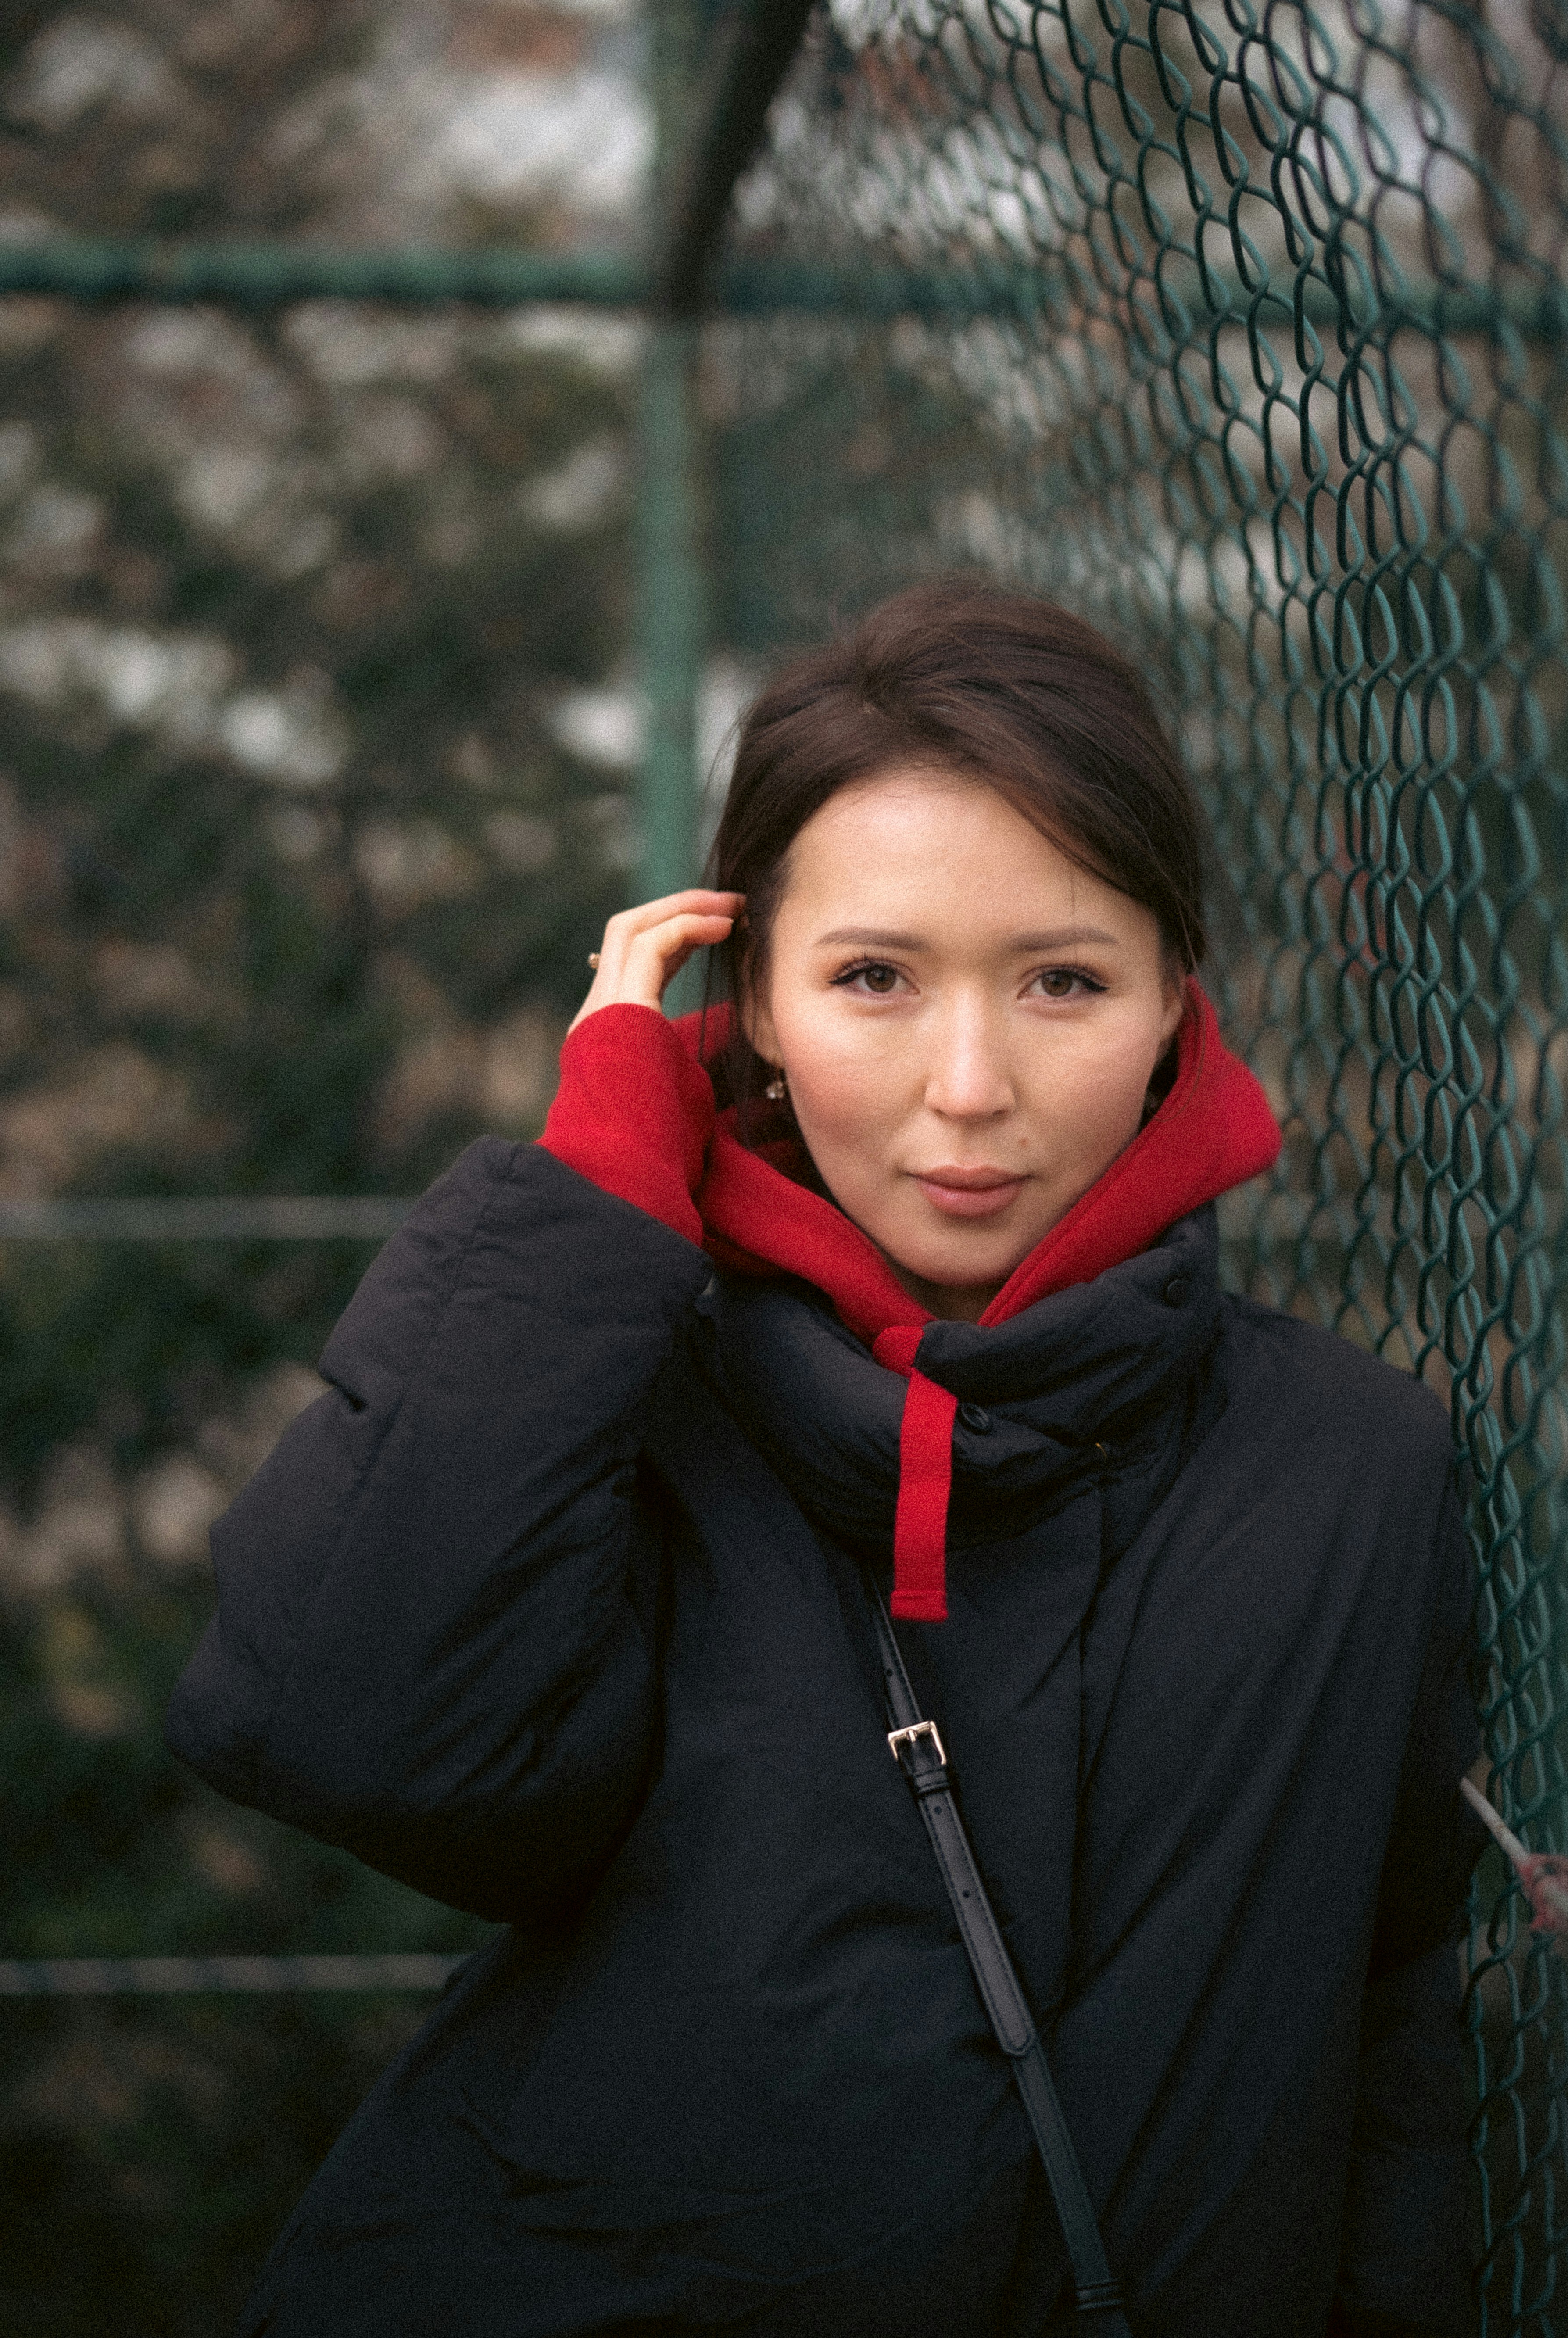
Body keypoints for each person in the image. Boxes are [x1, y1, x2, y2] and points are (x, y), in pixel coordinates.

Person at [168, 583, 1484, 2338]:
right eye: (873, 978)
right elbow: (357, 1731)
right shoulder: (620, 1399)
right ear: (754, 1007)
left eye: (1063, 983)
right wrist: (594, 1204)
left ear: (1178, 1001)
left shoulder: (1354, 1468)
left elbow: (1387, 2033)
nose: (968, 1086)